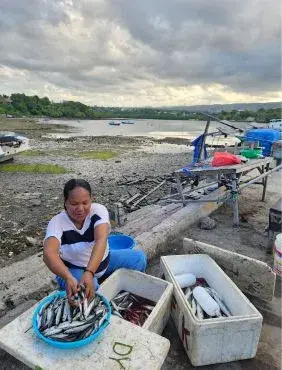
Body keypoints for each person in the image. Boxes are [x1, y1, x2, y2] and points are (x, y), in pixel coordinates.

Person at [43, 178, 147, 302]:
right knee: (89, 293)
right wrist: (68, 277)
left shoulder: (98, 211)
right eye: (74, 204)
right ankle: (74, 283)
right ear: (65, 202)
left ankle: (95, 279)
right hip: (73, 270)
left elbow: (101, 240)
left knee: (139, 258)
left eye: (85, 203)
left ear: (91, 199)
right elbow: (49, 254)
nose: (80, 209)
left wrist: (90, 272)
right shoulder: (57, 222)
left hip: (104, 263)